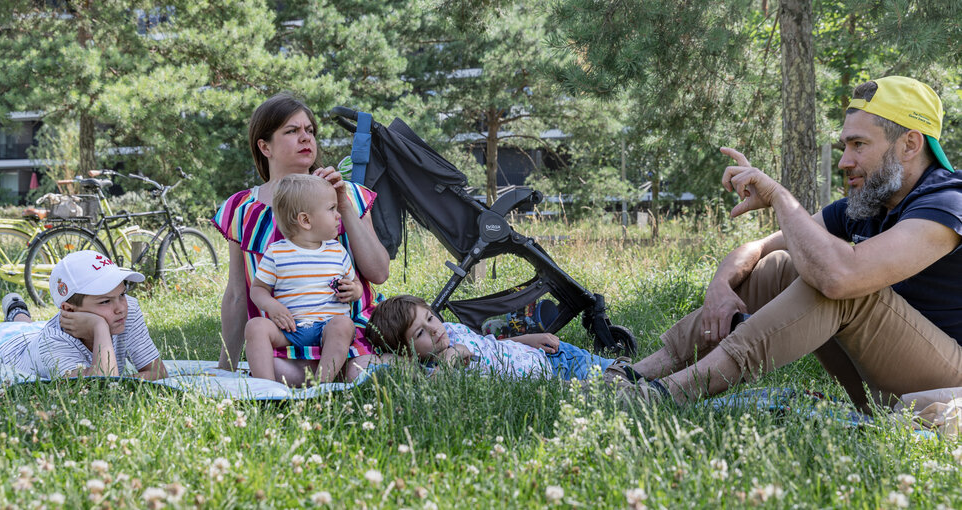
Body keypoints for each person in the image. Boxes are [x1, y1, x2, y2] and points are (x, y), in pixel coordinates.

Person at [602, 76, 961, 413]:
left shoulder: (947, 203)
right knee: (781, 267)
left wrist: (778, 196)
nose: (844, 160)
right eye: (845, 145)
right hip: (886, 383)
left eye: (859, 145)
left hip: (946, 391)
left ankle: (668, 395)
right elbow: (759, 249)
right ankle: (635, 374)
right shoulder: (873, 203)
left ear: (910, 144)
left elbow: (841, 277)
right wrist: (720, 286)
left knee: (841, 287)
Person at [213, 93, 389, 385]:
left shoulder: (348, 194)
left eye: (310, 130)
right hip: (284, 339)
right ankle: (313, 381)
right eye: (292, 131)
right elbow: (236, 294)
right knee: (280, 374)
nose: (306, 138)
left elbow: (379, 273)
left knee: (361, 370)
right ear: (264, 146)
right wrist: (225, 369)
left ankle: (343, 371)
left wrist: (343, 205)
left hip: (348, 331)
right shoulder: (241, 209)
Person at [0, 251, 168, 380]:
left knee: (28, 328)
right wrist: (100, 328)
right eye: (105, 301)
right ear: (70, 310)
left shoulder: (125, 309)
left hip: (35, 334)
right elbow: (102, 387)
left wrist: (101, 319)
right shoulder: (52, 344)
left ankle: (17, 311)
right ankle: (17, 312)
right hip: (1, 348)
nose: (120, 307)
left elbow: (158, 371)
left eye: (122, 294)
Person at [245, 174, 363, 383]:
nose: (338, 215)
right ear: (305, 220)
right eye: (331, 209)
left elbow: (356, 284)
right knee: (255, 326)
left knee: (344, 325)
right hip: (291, 328)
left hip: (328, 327)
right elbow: (258, 289)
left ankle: (321, 384)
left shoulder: (337, 251)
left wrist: (354, 291)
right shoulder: (277, 253)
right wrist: (271, 306)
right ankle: (266, 388)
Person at [366, 295, 617, 380]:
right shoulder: (431, 371)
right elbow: (434, 392)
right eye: (420, 332)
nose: (433, 328)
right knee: (615, 385)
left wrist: (529, 339)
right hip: (550, 378)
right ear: (407, 352)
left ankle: (643, 373)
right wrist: (450, 357)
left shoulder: (452, 330)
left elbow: (490, 346)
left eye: (430, 318)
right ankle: (650, 380)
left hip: (551, 355)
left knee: (616, 370)